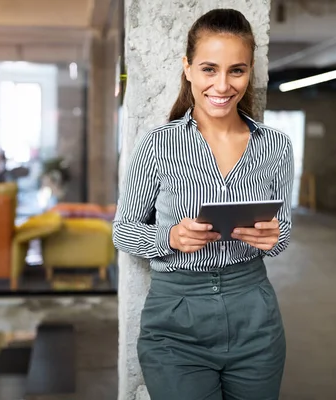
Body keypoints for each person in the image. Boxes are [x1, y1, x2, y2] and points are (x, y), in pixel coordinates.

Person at [112, 8, 294, 400]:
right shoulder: (158, 144)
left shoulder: (276, 146)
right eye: (209, 69)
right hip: (177, 321)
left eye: (237, 71)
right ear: (188, 69)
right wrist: (171, 237)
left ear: (249, 72)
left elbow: (283, 233)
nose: (223, 85)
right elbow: (123, 231)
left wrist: (271, 238)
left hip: (255, 313)